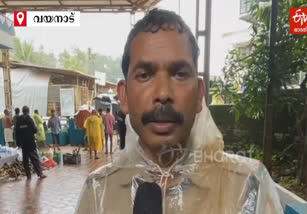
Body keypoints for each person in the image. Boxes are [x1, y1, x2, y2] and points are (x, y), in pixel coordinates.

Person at [76, 9, 283, 213]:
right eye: (145, 75)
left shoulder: (247, 187)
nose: (163, 93)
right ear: (123, 96)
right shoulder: (97, 191)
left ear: (200, 94)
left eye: (180, 74)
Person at [16, 106, 46, 180]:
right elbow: (35, 130)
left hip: (23, 143)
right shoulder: (29, 119)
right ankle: (40, 174)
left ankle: (28, 175)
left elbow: (16, 131)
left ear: (22, 111)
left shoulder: (18, 120)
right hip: (30, 142)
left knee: (25, 159)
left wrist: (18, 143)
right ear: (28, 111)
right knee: (34, 158)